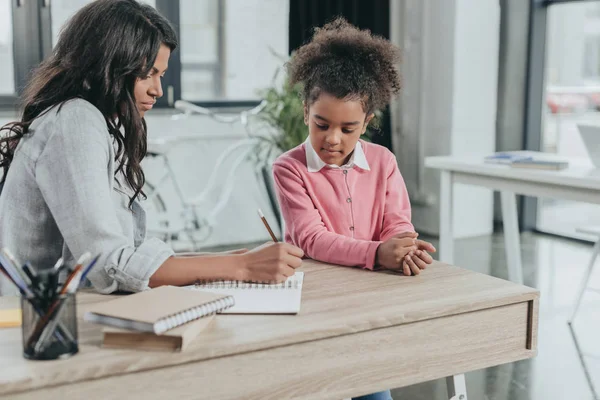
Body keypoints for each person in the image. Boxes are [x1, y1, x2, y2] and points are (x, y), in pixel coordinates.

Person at [0, 0, 303, 295]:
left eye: (162, 75)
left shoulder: (91, 121)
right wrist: (240, 267)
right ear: (111, 65)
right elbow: (108, 266)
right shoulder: (75, 120)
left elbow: (122, 251)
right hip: (34, 323)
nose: (158, 90)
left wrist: (224, 262)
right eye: (148, 74)